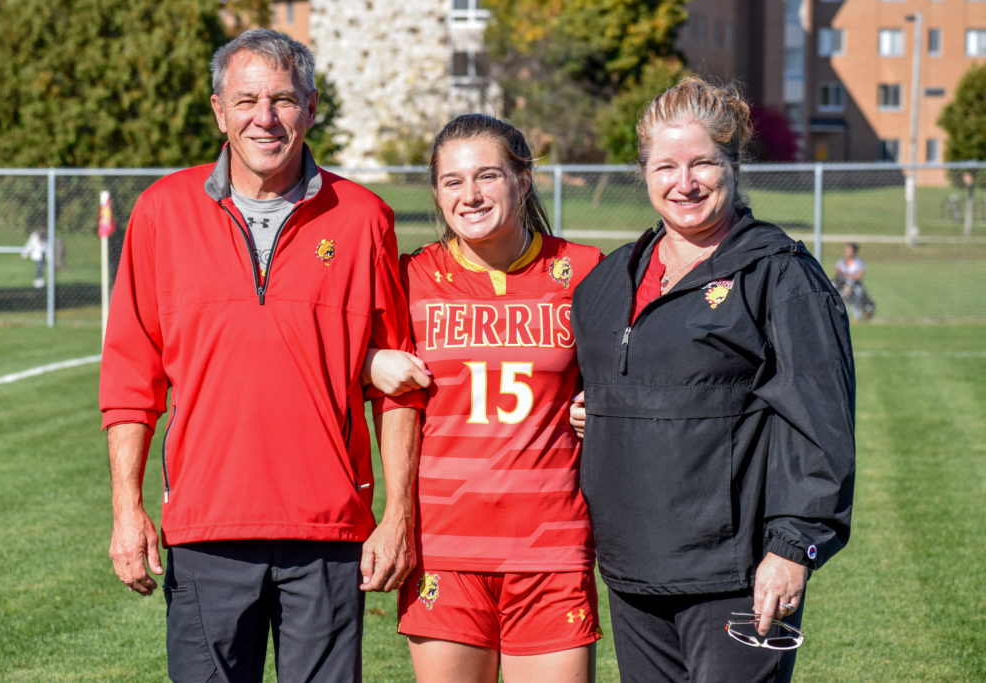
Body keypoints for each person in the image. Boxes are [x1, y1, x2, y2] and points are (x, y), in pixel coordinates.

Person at [99, 29, 421, 682]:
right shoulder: (161, 212)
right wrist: (127, 509)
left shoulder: (364, 218)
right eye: (246, 100)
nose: (264, 118)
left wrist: (398, 516)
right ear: (219, 110)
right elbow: (131, 378)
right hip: (206, 529)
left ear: (311, 107)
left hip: (328, 530)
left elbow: (399, 382)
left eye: (283, 99)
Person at [568, 77, 856, 682]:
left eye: (702, 163)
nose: (685, 182)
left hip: (736, 575)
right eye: (666, 166)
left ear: (734, 165)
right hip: (632, 570)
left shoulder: (779, 275)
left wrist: (792, 548)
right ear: (644, 173)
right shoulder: (608, 281)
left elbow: (820, 427)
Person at [366, 114, 603, 682]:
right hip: (442, 548)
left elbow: (635, 371)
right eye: (453, 181)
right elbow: (321, 350)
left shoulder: (585, 270)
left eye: (487, 176)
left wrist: (603, 407)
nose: (470, 195)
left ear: (523, 180)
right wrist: (369, 360)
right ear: (436, 193)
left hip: (552, 547)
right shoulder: (410, 276)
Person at [832, 242, 875, 319]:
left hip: (854, 286)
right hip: (841, 286)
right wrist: (846, 275)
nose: (847, 252)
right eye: (846, 250)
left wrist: (846, 274)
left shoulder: (859, 263)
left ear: (854, 252)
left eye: (850, 251)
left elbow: (858, 277)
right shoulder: (841, 262)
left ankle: (865, 313)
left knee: (852, 286)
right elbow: (837, 275)